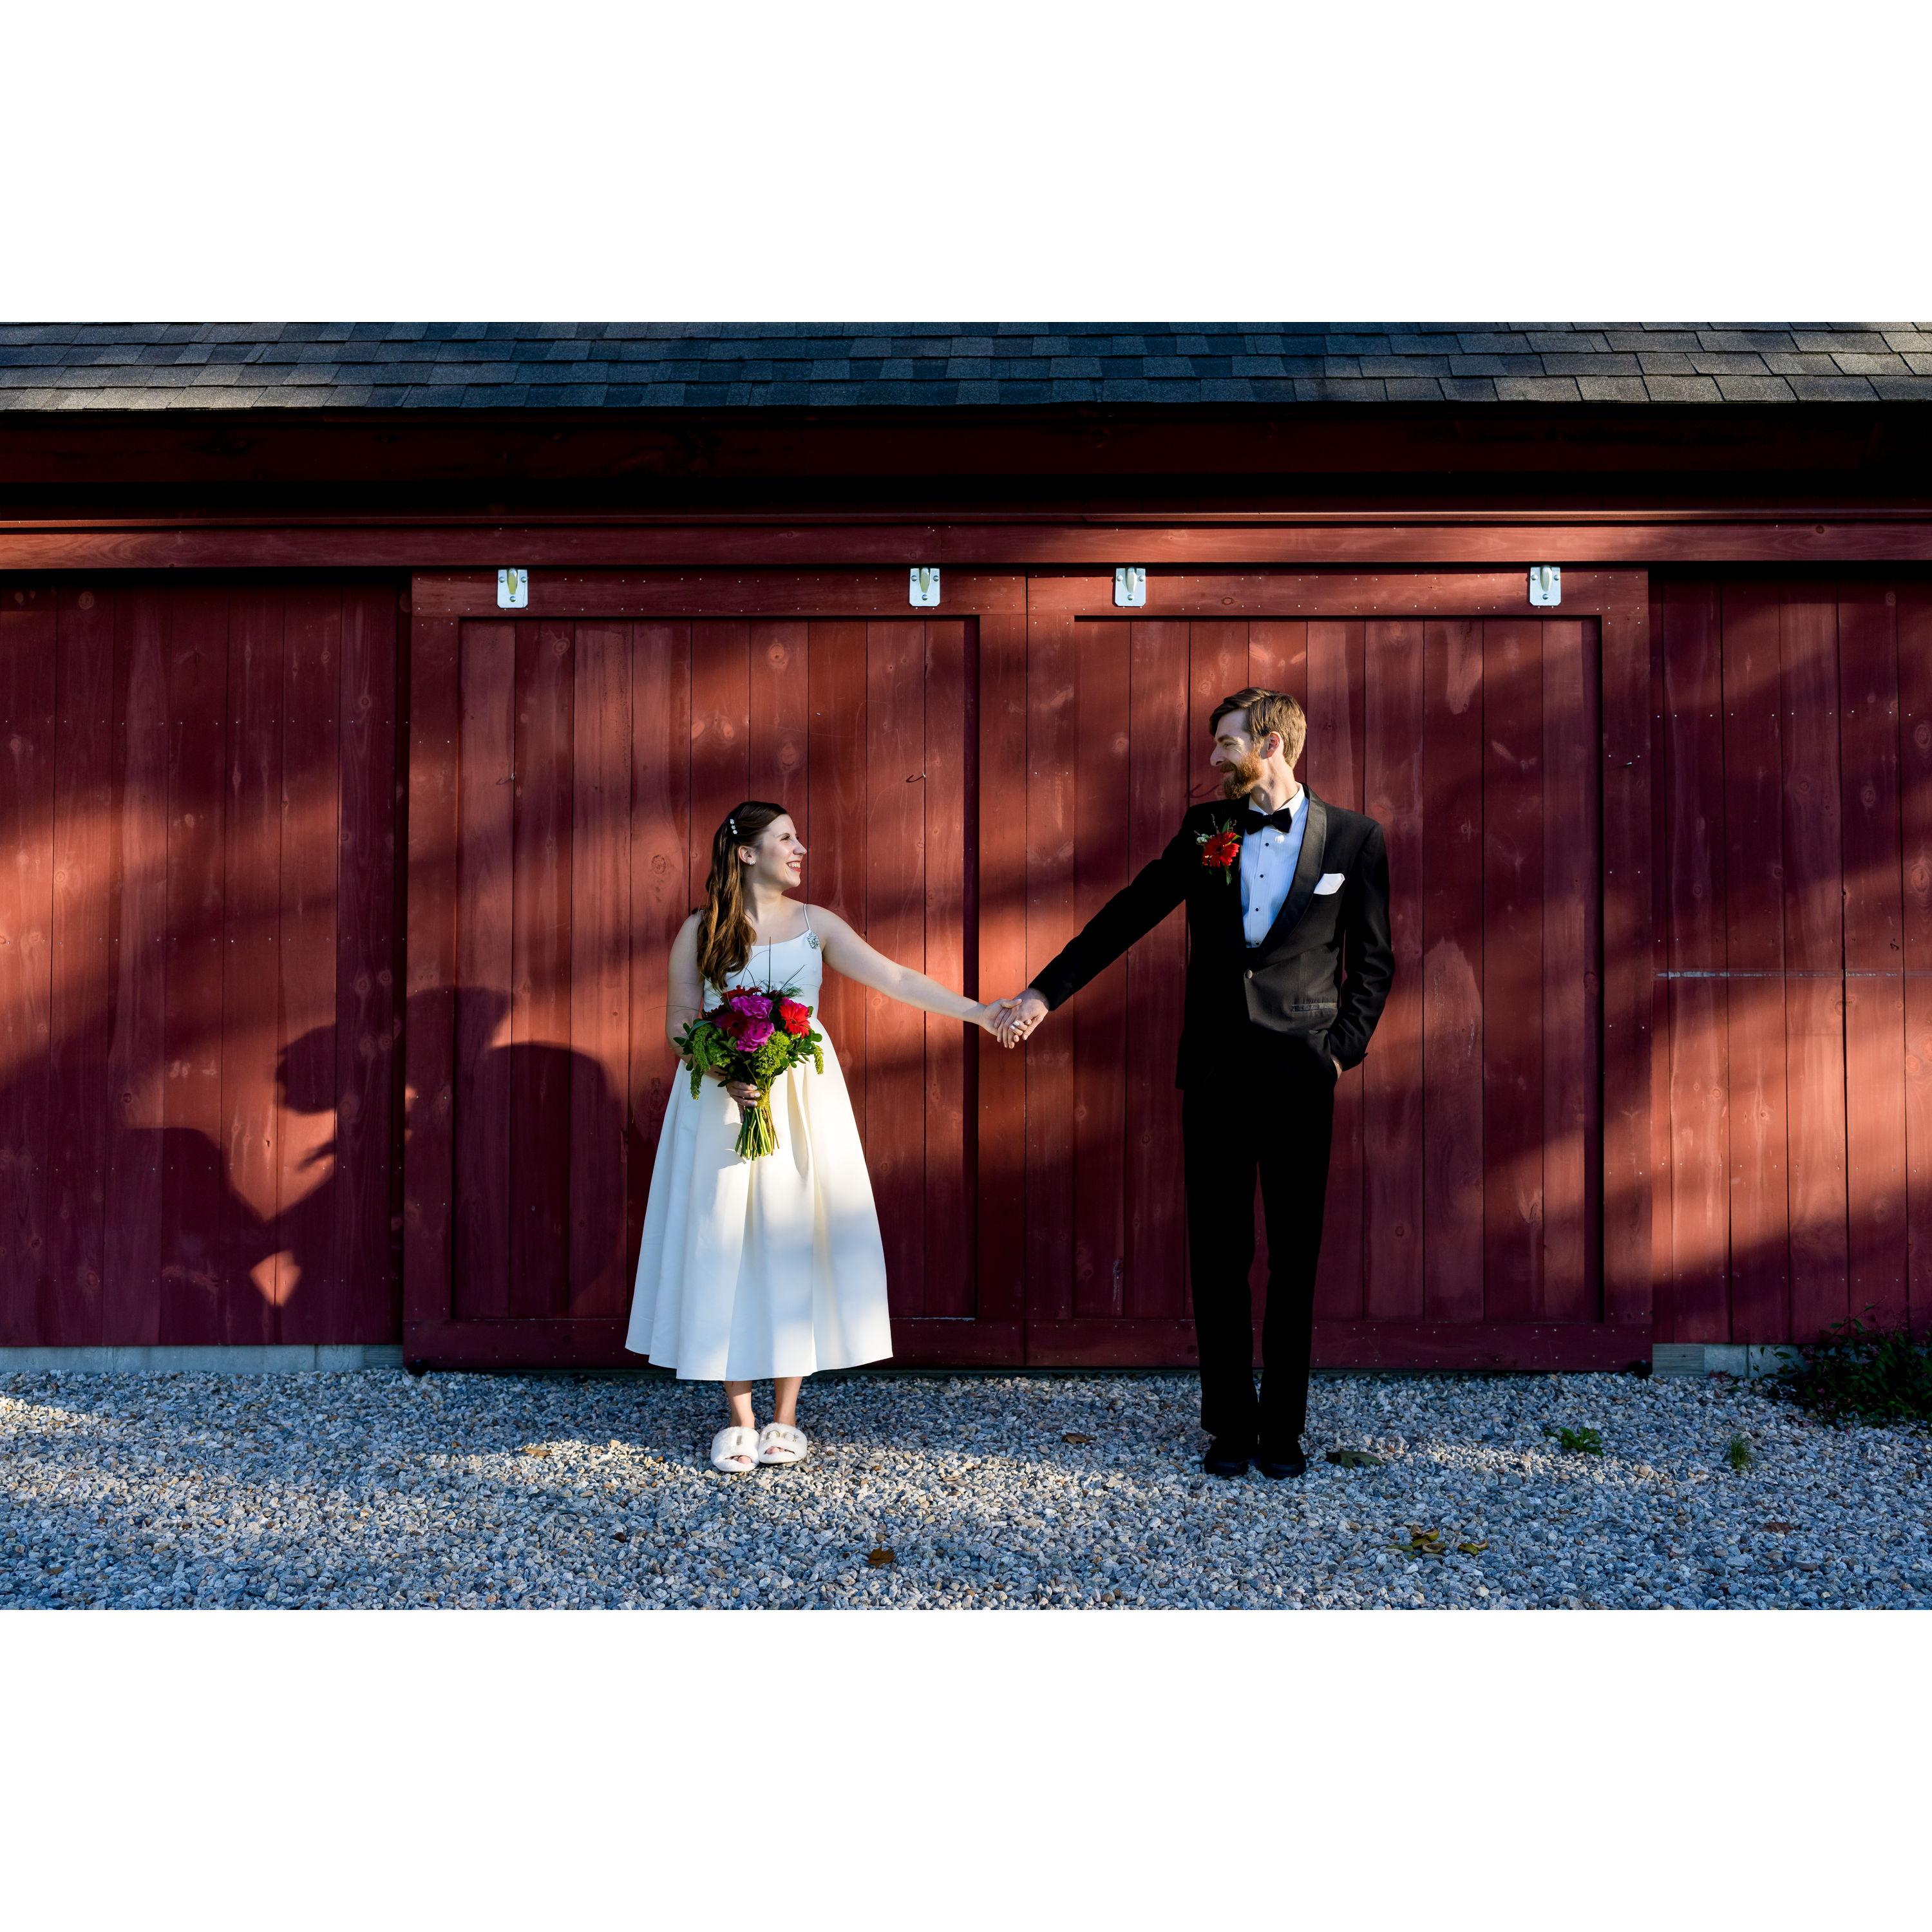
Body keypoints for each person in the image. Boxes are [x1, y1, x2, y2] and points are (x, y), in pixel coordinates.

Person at [996, 687, 1394, 1479]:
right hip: (1214, 1074)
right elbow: (1128, 913)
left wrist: (1338, 1054)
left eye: (1226, 744)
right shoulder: (1208, 830)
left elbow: (1373, 965)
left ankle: (1283, 1429)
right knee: (1218, 1255)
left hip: (1300, 1078)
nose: (1213, 759)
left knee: (1295, 1258)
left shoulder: (1355, 839)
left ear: (1273, 743)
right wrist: (1043, 993)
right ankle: (1230, 1427)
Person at [626, 799, 1011, 1474]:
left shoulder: (817, 926)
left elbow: (895, 977)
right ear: (746, 853)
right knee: (724, 1239)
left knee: (792, 1237)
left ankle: (784, 1420)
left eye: (798, 838)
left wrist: (977, 1013)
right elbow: (680, 1021)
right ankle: (738, 1420)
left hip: (803, 1104)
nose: (800, 849)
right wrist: (720, 1064)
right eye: (785, 839)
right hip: (720, 1105)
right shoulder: (701, 930)